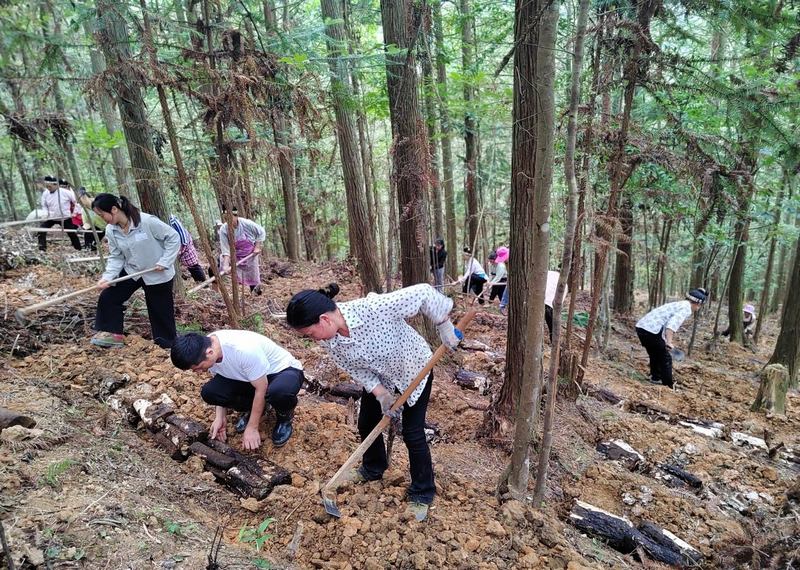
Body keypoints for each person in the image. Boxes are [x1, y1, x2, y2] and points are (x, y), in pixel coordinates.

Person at [285, 283, 463, 522]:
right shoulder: (331, 341)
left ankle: (422, 493)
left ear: (324, 320)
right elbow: (355, 369)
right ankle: (373, 468)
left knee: (412, 433)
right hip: (384, 379)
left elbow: (423, 292)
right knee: (367, 422)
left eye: (310, 334)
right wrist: (382, 395)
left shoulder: (373, 308)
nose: (312, 340)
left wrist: (444, 325)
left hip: (415, 369)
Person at [170, 331, 304, 449]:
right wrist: (220, 417)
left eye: (198, 368)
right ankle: (258, 408)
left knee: (278, 392)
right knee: (210, 392)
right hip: (250, 376)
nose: (199, 372)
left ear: (209, 353)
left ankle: (284, 417)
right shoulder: (206, 347)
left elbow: (262, 387)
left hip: (280, 371)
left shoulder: (243, 351)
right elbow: (222, 377)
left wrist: (252, 427)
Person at [90, 194, 180, 349]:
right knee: (109, 296)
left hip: (157, 273)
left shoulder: (146, 222)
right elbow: (116, 256)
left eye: (102, 214)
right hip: (134, 271)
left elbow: (173, 237)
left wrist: (165, 261)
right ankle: (113, 334)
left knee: (160, 310)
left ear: (114, 209)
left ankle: (166, 345)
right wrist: (108, 277)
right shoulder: (111, 230)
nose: (102, 218)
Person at [635, 288, 707, 388]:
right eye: (700, 306)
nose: (698, 308)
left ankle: (656, 378)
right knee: (665, 357)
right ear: (697, 304)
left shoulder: (680, 304)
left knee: (655, 353)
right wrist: (669, 342)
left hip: (642, 327)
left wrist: (664, 340)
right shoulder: (686, 308)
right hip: (651, 330)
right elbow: (671, 326)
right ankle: (668, 385)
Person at [219, 207, 265, 295]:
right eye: (225, 218)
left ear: (236, 216)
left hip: (250, 255)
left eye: (230, 217)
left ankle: (256, 295)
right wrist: (225, 265)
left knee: (253, 276)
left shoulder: (247, 223)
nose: (228, 221)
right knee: (220, 268)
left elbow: (261, 232)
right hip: (235, 255)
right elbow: (225, 249)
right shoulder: (223, 230)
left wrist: (257, 246)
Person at [37, 176, 82, 251]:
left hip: (65, 217)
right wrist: (45, 214)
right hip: (51, 217)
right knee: (41, 230)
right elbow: (44, 205)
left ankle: (78, 248)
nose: (48, 188)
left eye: (50, 186)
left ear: (56, 185)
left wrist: (75, 213)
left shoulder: (66, 192)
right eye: (47, 186)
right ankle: (42, 249)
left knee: (72, 233)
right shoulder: (45, 193)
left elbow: (76, 203)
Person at [169, 214, 207, 283]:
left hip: (183, 244)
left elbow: (182, 234)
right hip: (176, 245)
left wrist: (182, 246)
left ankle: (203, 284)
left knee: (193, 264)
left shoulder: (172, 220)